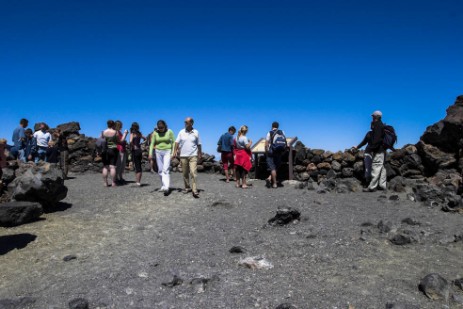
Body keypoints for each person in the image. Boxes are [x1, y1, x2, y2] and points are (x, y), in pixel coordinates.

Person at [173, 117, 202, 198]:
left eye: (186, 122)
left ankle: (194, 190)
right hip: (183, 156)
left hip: (193, 155)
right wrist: (175, 151)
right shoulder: (181, 132)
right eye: (184, 122)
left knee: (193, 173)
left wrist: (200, 153)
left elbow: (199, 143)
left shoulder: (196, 132)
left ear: (191, 123)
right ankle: (187, 187)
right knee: (185, 173)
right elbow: (176, 142)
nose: (185, 123)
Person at [359, 110, 387, 192]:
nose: (372, 117)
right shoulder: (382, 126)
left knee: (376, 167)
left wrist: (371, 148)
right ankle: (382, 185)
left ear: (376, 117)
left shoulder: (378, 125)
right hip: (383, 150)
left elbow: (376, 140)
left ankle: (372, 187)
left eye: (373, 116)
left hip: (378, 151)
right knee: (382, 168)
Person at [149, 120, 175, 195]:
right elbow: (152, 144)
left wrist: (173, 153)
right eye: (159, 128)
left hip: (167, 151)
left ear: (165, 126)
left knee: (165, 169)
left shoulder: (169, 131)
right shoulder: (155, 133)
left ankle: (167, 187)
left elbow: (174, 142)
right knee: (160, 170)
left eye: (162, 127)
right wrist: (150, 153)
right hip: (158, 152)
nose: (160, 129)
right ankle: (163, 185)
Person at [265, 121, 287, 188]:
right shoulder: (282, 132)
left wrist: (266, 152)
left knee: (272, 168)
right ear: (278, 126)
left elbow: (266, 144)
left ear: (272, 126)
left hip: (271, 152)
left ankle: (274, 183)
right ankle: (269, 178)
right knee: (276, 166)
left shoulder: (270, 132)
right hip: (279, 152)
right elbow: (285, 142)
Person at [101, 120, 122, 187]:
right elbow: (119, 141)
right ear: (113, 125)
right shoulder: (115, 132)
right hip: (113, 150)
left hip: (105, 150)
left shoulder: (103, 132)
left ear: (107, 124)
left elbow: (100, 141)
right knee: (112, 167)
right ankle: (113, 183)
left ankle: (105, 183)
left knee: (105, 167)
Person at [129, 122, 145, 186]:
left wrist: (133, 146)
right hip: (139, 150)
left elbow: (130, 141)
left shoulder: (132, 134)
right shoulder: (139, 133)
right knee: (138, 165)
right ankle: (137, 181)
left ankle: (138, 182)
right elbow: (145, 138)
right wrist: (140, 144)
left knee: (137, 166)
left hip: (135, 150)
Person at [114, 120, 129, 184]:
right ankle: (117, 178)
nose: (122, 126)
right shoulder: (116, 132)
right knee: (119, 164)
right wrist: (125, 134)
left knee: (122, 164)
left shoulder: (119, 132)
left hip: (122, 149)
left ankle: (120, 177)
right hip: (119, 149)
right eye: (121, 125)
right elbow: (120, 141)